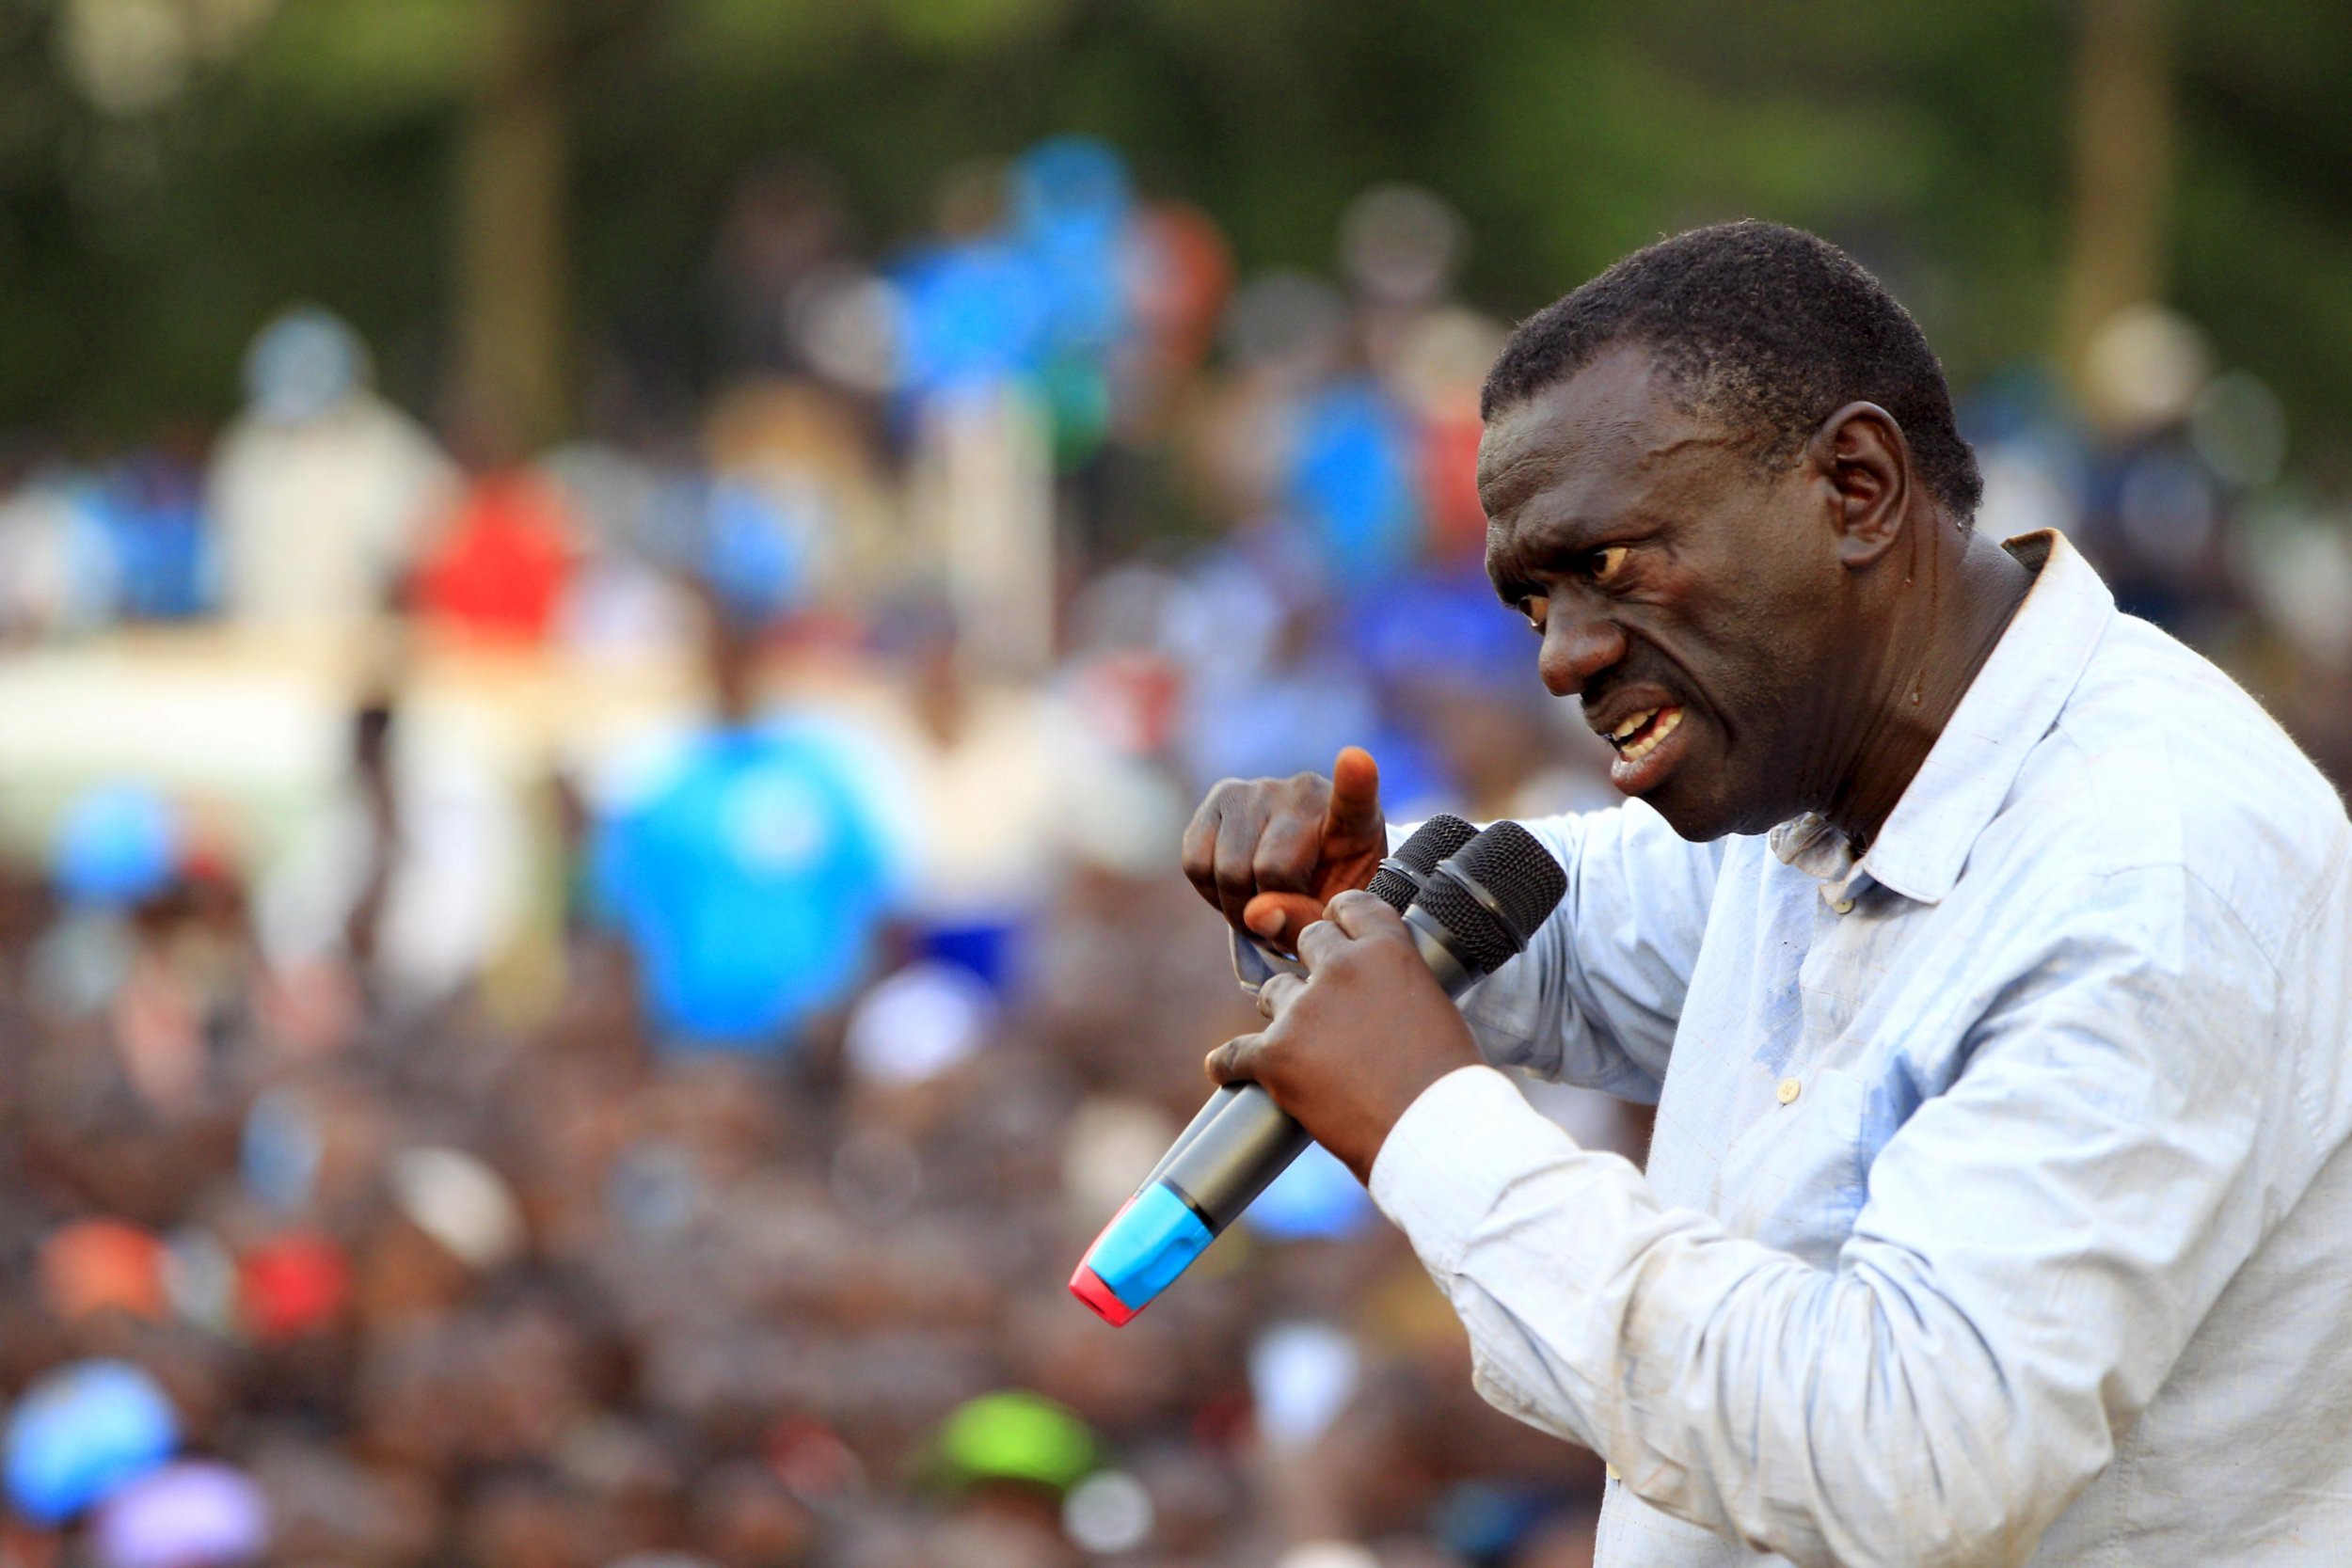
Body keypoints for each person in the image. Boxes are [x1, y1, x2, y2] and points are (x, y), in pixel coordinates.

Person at [1180, 222, 2352, 1567]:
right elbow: (1581, 927)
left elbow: (1915, 1460)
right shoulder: (1827, 781)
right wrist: (1358, 910)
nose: (1561, 661)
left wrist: (1429, 1132)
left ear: (1854, 488)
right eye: (1532, 601)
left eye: (1609, 565)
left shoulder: (2148, 870)